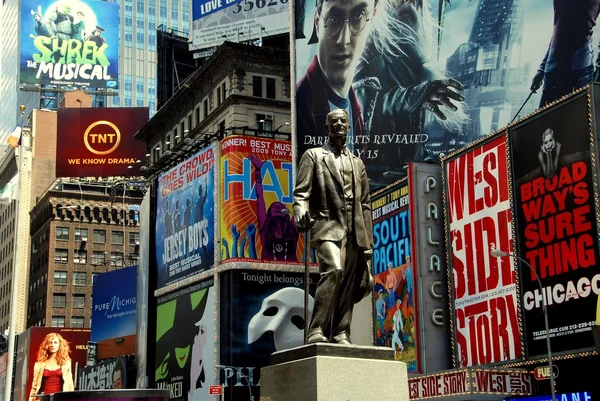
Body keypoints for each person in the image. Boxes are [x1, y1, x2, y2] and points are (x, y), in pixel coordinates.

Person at [293, 108, 373, 344]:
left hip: (354, 230)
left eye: (343, 121)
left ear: (349, 127)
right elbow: (301, 194)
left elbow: (366, 204)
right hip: (327, 225)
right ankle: (316, 328)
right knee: (334, 270)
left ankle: (341, 331)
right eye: (334, 121)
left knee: (348, 282)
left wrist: (367, 242)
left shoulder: (357, 163)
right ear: (327, 128)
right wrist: (300, 214)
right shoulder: (314, 156)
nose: (338, 124)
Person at [531, 0, 600, 107]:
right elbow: (560, 27)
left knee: (574, 120)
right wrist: (542, 68)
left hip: (577, 69)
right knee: (546, 121)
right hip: (554, 68)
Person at [29, 333, 74, 400]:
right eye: (50, 342)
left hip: (60, 398)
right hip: (44, 398)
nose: (52, 345)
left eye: (55, 342)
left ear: (60, 344)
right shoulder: (39, 365)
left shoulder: (66, 363)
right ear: (47, 345)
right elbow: (34, 387)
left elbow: (70, 384)